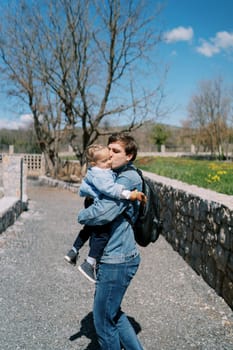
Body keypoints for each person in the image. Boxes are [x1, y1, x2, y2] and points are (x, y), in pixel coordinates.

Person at [78, 133, 144, 349]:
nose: (110, 154)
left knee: (103, 321)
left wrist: (81, 217)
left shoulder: (128, 179)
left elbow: (104, 213)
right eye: (109, 149)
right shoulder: (112, 175)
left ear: (129, 156)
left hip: (118, 258)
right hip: (115, 256)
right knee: (111, 313)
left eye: (116, 151)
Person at [64, 144, 146, 283]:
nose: (109, 162)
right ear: (94, 163)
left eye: (109, 158)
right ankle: (89, 263)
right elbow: (110, 189)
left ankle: (74, 250)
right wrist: (129, 194)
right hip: (95, 203)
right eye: (105, 161)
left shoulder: (99, 169)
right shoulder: (99, 173)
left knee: (89, 229)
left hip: (92, 200)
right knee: (102, 233)